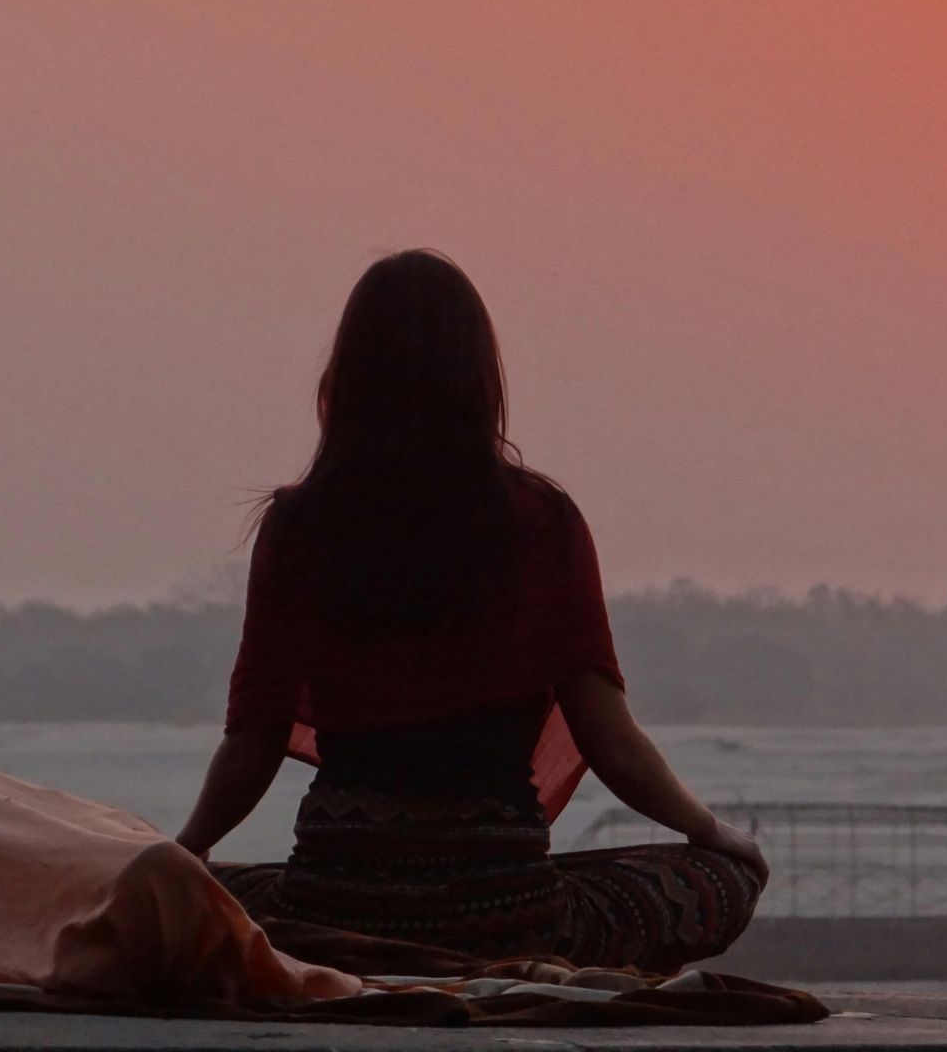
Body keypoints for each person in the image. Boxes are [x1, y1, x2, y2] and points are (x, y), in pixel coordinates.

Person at [176, 249, 766, 973]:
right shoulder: (541, 520)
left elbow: (252, 746)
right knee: (721, 879)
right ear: (480, 379)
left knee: (215, 893)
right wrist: (709, 830)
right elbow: (609, 738)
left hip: (332, 907)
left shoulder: (300, 526)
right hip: (510, 916)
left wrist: (186, 854)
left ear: (349, 377)